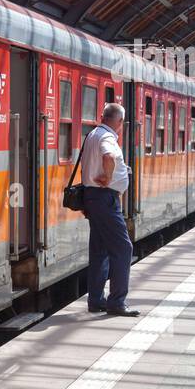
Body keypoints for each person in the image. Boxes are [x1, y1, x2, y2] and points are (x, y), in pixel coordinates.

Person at [81, 102, 139, 317]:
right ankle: (116, 301)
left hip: (93, 198)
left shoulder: (92, 134)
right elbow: (109, 156)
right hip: (105, 199)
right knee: (123, 249)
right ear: (119, 122)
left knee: (100, 250)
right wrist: (107, 177)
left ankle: (96, 300)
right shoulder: (107, 137)